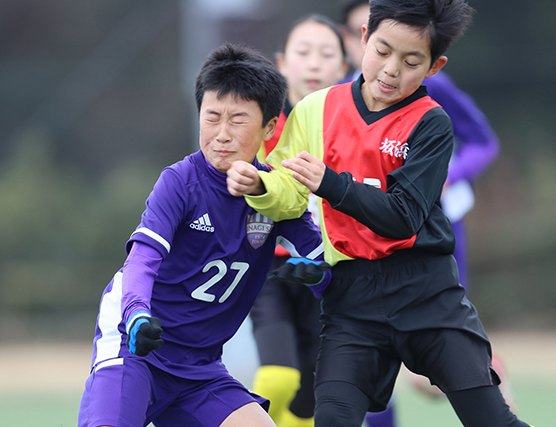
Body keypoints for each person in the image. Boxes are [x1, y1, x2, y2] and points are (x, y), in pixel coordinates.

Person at [226, 0, 534, 426]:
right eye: (383, 51)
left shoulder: (431, 123)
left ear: (433, 67)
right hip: (350, 301)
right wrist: (262, 186)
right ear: (364, 39)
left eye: (411, 61)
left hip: (427, 295)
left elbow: (402, 217)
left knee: (491, 419)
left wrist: (330, 182)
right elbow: (290, 192)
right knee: (332, 419)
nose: (392, 70)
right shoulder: (317, 109)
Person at [77, 43, 329, 427]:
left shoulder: (275, 194)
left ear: (269, 126)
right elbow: (141, 260)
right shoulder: (179, 182)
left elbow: (324, 262)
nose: (221, 134)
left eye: (238, 120)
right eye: (212, 117)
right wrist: (137, 315)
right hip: (136, 349)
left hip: (199, 369)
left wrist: (318, 274)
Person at [337, 0, 510, 406]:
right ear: (357, 38)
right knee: (363, 360)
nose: (392, 62)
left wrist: (447, 176)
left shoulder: (430, 90)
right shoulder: (333, 99)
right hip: (359, 245)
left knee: (462, 358)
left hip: (430, 232)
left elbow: (484, 142)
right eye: (377, 43)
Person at [248, 14, 347, 427]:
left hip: (328, 269)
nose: (313, 64)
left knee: (313, 394)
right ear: (282, 64)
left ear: (343, 68)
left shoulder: (353, 129)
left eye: (326, 54)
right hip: (268, 266)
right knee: (277, 377)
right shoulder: (259, 125)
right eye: (302, 53)